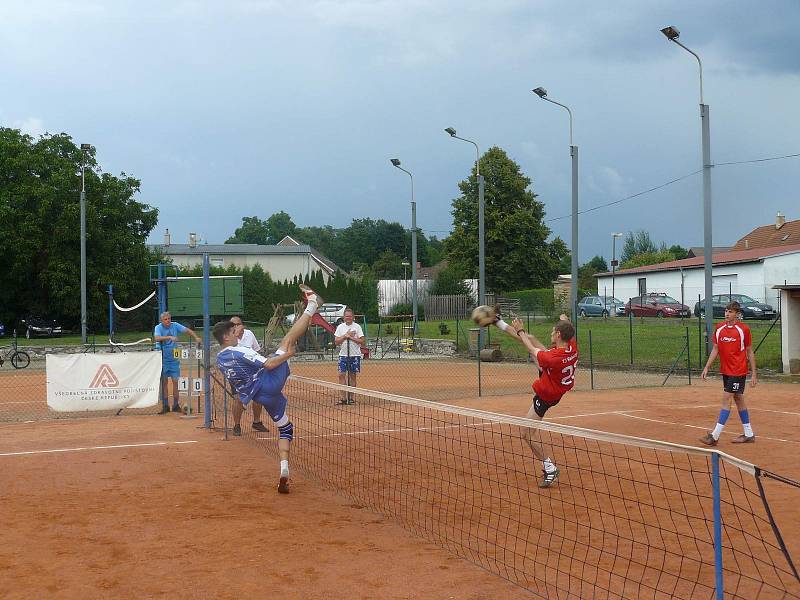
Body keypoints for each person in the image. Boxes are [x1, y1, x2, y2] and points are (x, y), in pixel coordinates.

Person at [213, 284, 323, 494]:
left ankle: (284, 469)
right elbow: (270, 365)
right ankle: (312, 304)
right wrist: (289, 355)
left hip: (261, 396)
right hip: (268, 381)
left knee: (286, 428)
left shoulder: (220, 359)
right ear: (227, 336)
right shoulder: (240, 351)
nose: (238, 329)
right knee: (288, 339)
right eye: (233, 329)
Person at [492, 309, 578, 488]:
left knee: (526, 434)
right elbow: (566, 326)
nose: (551, 333)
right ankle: (497, 321)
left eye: (553, 331)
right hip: (556, 380)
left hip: (547, 394)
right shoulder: (571, 346)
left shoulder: (551, 358)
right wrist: (564, 318)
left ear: (559, 334)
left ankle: (549, 467)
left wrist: (520, 330)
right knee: (530, 338)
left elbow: (531, 349)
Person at [699, 301, 758, 446]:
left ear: (737, 314)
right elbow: (715, 349)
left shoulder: (743, 329)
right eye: (726, 311)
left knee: (727, 399)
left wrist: (754, 373)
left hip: (738, 370)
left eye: (730, 311)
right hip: (726, 370)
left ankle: (714, 436)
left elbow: (749, 351)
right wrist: (707, 367)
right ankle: (749, 434)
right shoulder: (719, 328)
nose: (727, 313)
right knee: (738, 398)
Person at [153, 311, 201, 414]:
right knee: (164, 383)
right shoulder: (158, 328)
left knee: (176, 382)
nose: (168, 321)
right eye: (165, 319)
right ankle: (165, 406)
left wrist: (196, 337)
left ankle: (175, 405)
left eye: (169, 319)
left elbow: (187, 330)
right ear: (162, 320)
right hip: (163, 359)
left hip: (174, 359)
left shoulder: (175, 325)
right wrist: (169, 337)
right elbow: (156, 338)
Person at [228, 316, 268, 436]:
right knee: (238, 399)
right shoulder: (229, 337)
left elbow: (257, 350)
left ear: (242, 325)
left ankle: (256, 422)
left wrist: (261, 364)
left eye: (237, 324)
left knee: (258, 396)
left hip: (252, 371)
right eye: (232, 325)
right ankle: (237, 425)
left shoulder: (249, 334)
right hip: (237, 373)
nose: (235, 327)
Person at [333, 307, 365, 405]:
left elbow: (362, 341)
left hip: (354, 355)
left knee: (352, 376)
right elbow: (337, 341)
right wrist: (345, 336)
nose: (348, 318)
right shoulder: (340, 327)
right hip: (343, 355)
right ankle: (343, 398)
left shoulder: (357, 327)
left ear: (353, 317)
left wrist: (351, 337)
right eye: (346, 316)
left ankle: (351, 398)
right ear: (344, 317)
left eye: (350, 316)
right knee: (341, 375)